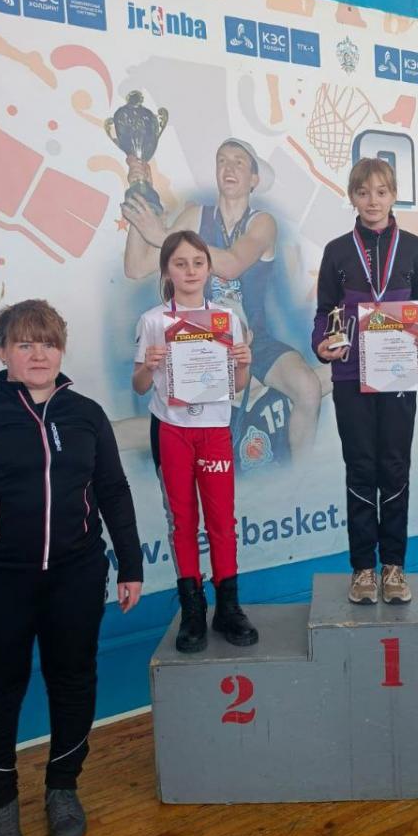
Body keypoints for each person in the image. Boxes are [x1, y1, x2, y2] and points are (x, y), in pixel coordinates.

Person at [0, 300, 143, 836]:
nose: (38, 354)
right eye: (25, 344)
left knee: (74, 680)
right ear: (2, 352)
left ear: (61, 350)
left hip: (76, 576)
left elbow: (113, 491)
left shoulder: (87, 415)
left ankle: (63, 787)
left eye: (48, 343)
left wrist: (131, 564)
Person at [122, 137, 322, 463]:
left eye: (239, 162)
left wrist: (164, 236)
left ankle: (301, 480)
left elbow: (231, 264)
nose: (229, 167)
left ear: (253, 179)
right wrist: (138, 202)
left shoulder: (262, 222)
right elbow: (136, 267)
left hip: (252, 340)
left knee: (308, 388)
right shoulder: (195, 217)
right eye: (222, 161)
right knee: (178, 425)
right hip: (201, 340)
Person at [312, 156, 418, 605]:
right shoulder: (337, 251)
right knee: (360, 467)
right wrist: (320, 345)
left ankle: (393, 566)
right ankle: (362, 570)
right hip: (350, 374)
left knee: (393, 467)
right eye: (363, 192)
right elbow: (324, 314)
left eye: (381, 192)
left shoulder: (414, 248)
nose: (373, 201)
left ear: (394, 196)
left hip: (397, 373)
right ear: (352, 197)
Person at [133, 229, 257, 654]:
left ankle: (229, 607)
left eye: (198, 263)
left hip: (214, 430)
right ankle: (192, 610)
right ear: (166, 270)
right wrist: (148, 367)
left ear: (209, 269)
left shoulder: (225, 320)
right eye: (180, 263)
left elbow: (235, 385)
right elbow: (139, 386)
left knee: (222, 521)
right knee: (183, 521)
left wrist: (244, 364)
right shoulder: (153, 321)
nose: (190, 271)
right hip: (172, 430)